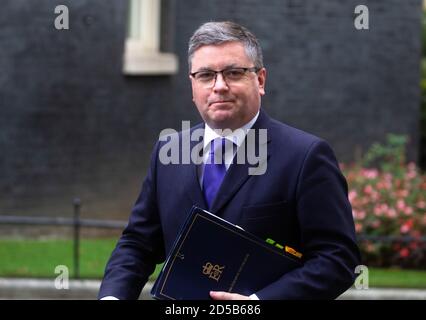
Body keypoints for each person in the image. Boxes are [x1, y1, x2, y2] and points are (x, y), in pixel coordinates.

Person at [98, 21, 360, 300]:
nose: (219, 86)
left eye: (234, 73)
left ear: (260, 80)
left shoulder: (306, 156)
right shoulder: (169, 151)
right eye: (206, 75)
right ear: (192, 85)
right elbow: (138, 244)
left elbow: (337, 260)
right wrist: (113, 297)